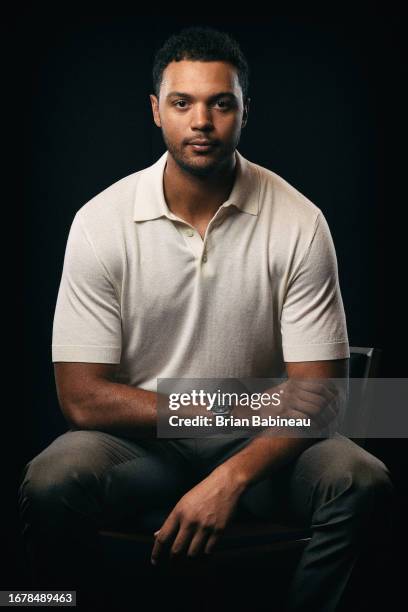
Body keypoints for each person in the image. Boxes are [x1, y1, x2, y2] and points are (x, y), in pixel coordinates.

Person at [18, 26, 394, 611]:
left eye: (221, 103)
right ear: (155, 110)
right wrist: (231, 403)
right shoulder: (99, 222)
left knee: (362, 477)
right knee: (50, 481)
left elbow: (320, 397)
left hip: (264, 445)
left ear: (245, 111)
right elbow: (82, 400)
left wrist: (231, 475)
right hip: (140, 448)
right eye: (182, 102)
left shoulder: (299, 221)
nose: (202, 120)